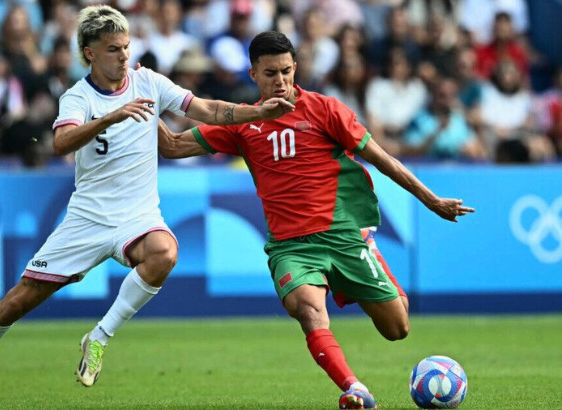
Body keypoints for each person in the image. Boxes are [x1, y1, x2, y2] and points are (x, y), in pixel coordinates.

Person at [0, 6, 294, 409]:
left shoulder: (148, 81)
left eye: (126, 46)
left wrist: (256, 113)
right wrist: (111, 117)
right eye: (113, 48)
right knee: (16, 302)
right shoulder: (76, 98)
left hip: (138, 216)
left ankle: (99, 336)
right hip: (87, 219)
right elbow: (61, 144)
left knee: (165, 252)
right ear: (89, 53)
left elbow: (206, 109)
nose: (123, 55)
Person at [157, 31, 474, 409]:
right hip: (292, 247)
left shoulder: (325, 110)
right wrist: (136, 101)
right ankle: (354, 389)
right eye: (270, 73)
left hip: (344, 237)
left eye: (286, 71)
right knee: (308, 310)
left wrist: (431, 200)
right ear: (254, 74)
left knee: (397, 328)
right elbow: (172, 146)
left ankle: (364, 258)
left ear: (296, 68)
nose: (280, 81)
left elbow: (382, 158)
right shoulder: (242, 123)